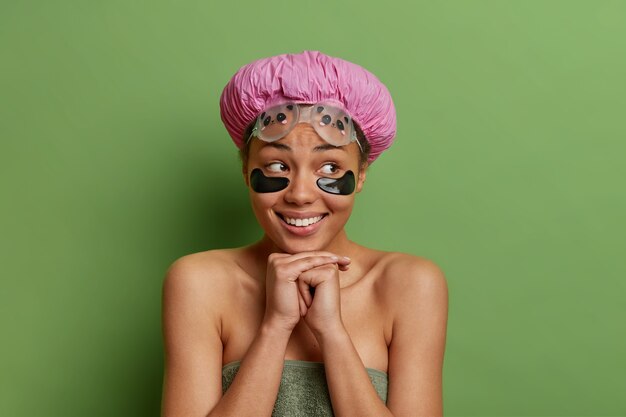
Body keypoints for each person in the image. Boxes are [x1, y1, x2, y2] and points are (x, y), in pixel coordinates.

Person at [160, 50, 449, 417]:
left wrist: (332, 333)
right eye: (277, 165)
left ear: (360, 176)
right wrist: (275, 327)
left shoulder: (410, 284)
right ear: (246, 170)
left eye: (329, 166)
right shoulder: (199, 283)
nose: (299, 194)